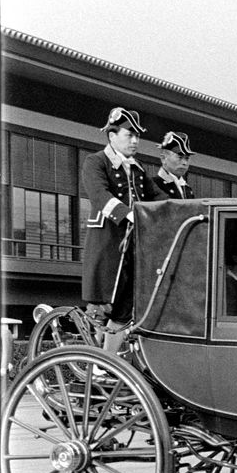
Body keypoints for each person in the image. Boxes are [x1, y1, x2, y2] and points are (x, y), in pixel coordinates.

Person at [81, 106, 156, 353]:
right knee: (101, 307)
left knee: (125, 309)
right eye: (129, 135)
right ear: (112, 136)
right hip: (107, 244)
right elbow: (100, 195)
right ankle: (93, 361)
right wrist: (129, 213)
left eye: (137, 136)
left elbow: (158, 197)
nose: (135, 141)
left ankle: (108, 359)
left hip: (133, 247)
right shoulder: (95, 162)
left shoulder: (138, 169)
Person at [152, 131, 196, 199]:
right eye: (180, 157)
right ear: (163, 158)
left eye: (187, 158)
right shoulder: (154, 184)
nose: (185, 162)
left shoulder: (187, 189)